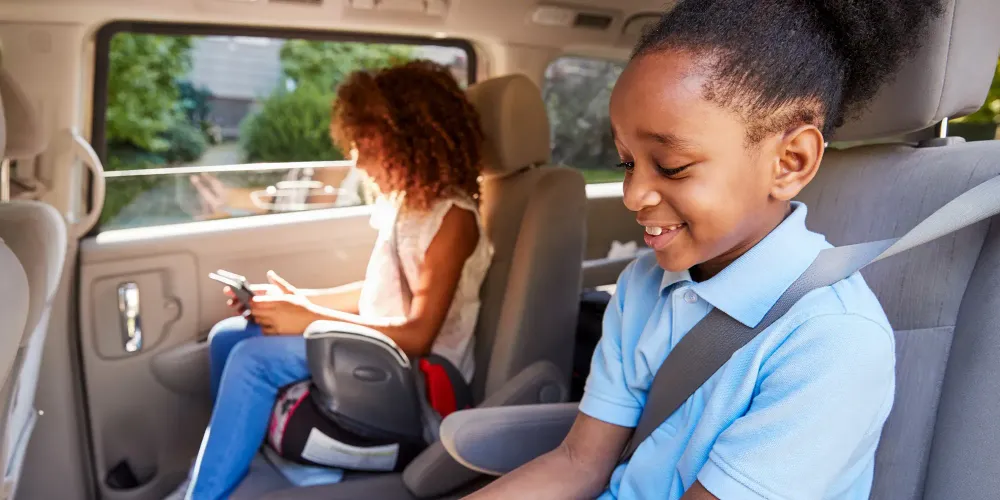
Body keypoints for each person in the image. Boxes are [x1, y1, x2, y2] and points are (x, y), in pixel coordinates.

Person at [469, 1, 943, 499]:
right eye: (628, 163)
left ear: (789, 162)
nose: (633, 195)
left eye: (671, 166)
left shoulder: (831, 339)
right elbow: (578, 461)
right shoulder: (642, 285)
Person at [183, 60, 492, 499]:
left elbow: (419, 334)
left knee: (254, 362)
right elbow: (377, 292)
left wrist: (307, 318)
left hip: (415, 380)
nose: (357, 157)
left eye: (369, 140)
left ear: (416, 138)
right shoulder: (408, 204)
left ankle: (205, 493)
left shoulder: (454, 219)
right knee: (230, 336)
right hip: (377, 350)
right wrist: (296, 300)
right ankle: (232, 460)